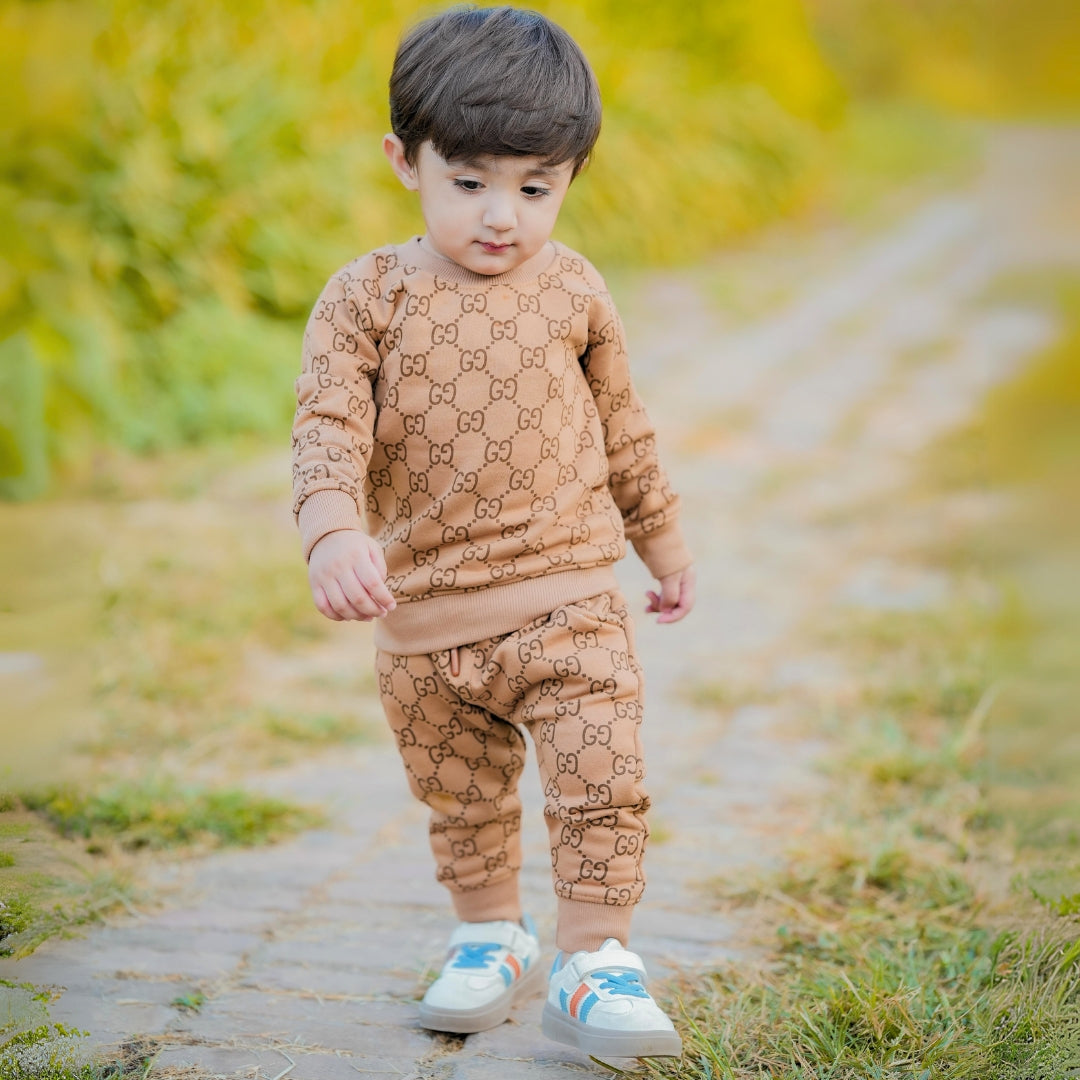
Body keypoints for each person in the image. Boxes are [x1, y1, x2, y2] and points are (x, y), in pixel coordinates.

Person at [291, 5, 694, 1059]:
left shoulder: (575, 289)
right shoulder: (366, 299)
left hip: (569, 600)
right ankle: (489, 937)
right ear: (406, 162)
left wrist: (662, 544)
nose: (501, 217)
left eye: (534, 188)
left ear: (570, 177)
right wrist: (333, 533)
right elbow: (326, 426)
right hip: (424, 624)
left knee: (601, 778)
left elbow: (624, 428)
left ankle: (595, 960)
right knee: (462, 800)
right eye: (468, 182)